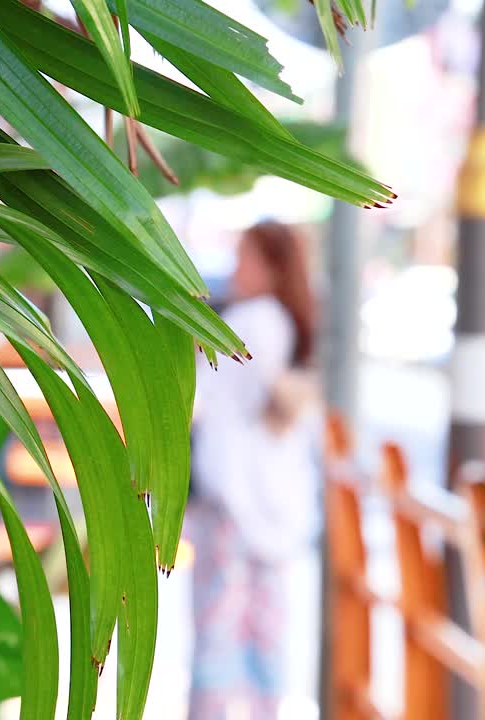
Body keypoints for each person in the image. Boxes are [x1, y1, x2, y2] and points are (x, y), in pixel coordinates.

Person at [188, 221, 320, 720]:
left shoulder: (250, 321)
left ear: (271, 266)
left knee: (216, 639)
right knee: (265, 641)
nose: (235, 267)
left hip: (231, 504)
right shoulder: (283, 322)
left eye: (244, 255)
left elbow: (204, 402)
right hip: (273, 504)